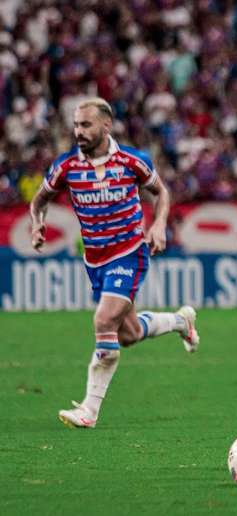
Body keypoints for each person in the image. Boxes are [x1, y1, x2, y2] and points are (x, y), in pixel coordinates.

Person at [29, 97, 200, 429]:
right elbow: (39, 201)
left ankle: (89, 411)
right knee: (128, 334)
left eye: (86, 125)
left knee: (104, 321)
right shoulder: (66, 166)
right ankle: (181, 321)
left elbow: (161, 192)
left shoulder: (131, 161)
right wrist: (38, 223)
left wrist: (159, 224)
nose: (78, 131)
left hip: (129, 252)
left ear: (106, 126)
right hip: (95, 260)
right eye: (76, 125)